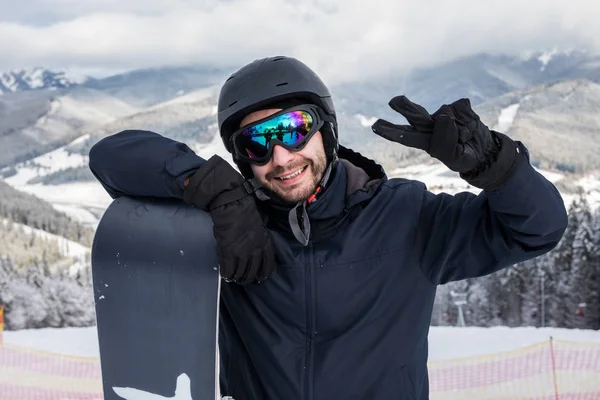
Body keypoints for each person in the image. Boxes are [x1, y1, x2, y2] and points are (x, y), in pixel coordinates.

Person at [88, 56, 568, 400]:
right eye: (256, 143)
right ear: (241, 158)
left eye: (293, 128)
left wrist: (494, 166)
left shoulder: (407, 217)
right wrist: (212, 188)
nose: (281, 156)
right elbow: (111, 155)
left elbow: (537, 229)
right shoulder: (232, 226)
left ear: (327, 129)